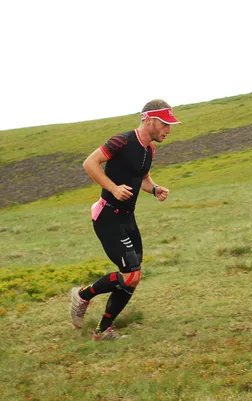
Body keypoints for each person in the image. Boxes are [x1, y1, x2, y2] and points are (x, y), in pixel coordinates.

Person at [70, 99, 180, 340]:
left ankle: (102, 331)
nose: (168, 130)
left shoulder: (149, 149)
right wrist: (113, 187)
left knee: (133, 278)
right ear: (150, 120)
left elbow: (141, 178)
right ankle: (83, 295)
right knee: (131, 275)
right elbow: (90, 163)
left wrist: (154, 189)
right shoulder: (122, 140)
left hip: (128, 218)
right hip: (107, 216)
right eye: (165, 124)